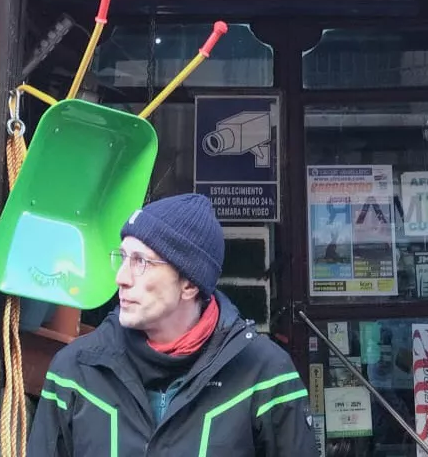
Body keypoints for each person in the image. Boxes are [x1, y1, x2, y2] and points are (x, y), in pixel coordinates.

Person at [29, 194, 314, 457]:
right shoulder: (75, 372)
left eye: (141, 261)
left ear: (189, 284)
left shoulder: (265, 375)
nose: (121, 277)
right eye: (123, 257)